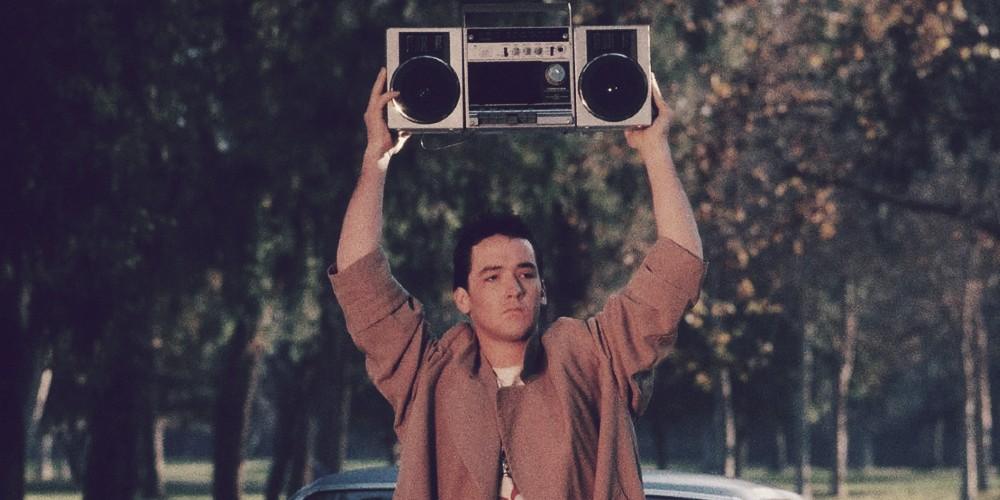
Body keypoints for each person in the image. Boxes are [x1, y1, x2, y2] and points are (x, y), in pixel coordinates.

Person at [329, 67, 705, 500]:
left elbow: (678, 266)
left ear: (543, 290)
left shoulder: (593, 360)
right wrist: (376, 157)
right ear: (463, 298)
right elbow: (360, 279)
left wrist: (655, 149)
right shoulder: (429, 374)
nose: (514, 288)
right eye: (492, 276)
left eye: (526, 274)